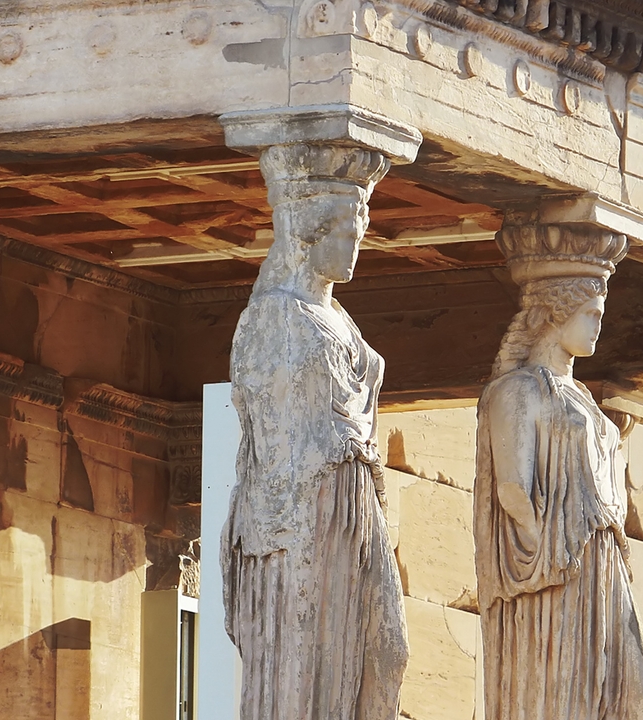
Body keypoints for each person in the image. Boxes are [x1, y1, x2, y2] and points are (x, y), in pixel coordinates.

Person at [223, 144, 406, 720]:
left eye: (360, 231)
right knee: (305, 663)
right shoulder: (272, 314)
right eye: (347, 233)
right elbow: (264, 431)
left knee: (388, 651)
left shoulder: (340, 319)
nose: (356, 246)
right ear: (311, 233)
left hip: (355, 501)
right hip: (301, 513)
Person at [476, 237, 643, 720]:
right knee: (569, 696)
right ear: (557, 315)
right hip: (559, 566)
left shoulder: (582, 398)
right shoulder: (518, 390)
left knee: (635, 701)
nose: (600, 324)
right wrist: (547, 548)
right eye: (591, 313)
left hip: (602, 562)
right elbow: (513, 486)